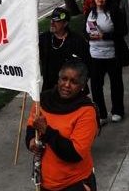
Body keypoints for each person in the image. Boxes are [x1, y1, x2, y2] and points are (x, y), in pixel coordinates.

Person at [26, 59, 99, 191]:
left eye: (74, 82)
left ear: (82, 85)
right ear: (58, 79)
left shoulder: (86, 111)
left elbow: (74, 154)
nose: (66, 85)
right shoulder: (43, 100)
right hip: (45, 182)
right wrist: (31, 140)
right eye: (63, 79)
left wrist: (47, 131)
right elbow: (31, 127)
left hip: (74, 183)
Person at [86, 0, 129, 124]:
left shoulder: (114, 12)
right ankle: (101, 114)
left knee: (116, 84)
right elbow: (85, 30)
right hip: (95, 55)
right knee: (96, 86)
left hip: (112, 55)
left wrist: (104, 35)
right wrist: (89, 36)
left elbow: (123, 31)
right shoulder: (90, 13)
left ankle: (117, 111)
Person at [39, 7, 90, 91]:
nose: (52, 23)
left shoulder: (77, 40)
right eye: (51, 20)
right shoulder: (44, 38)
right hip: (50, 88)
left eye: (56, 21)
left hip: (70, 89)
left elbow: (87, 64)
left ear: (65, 23)